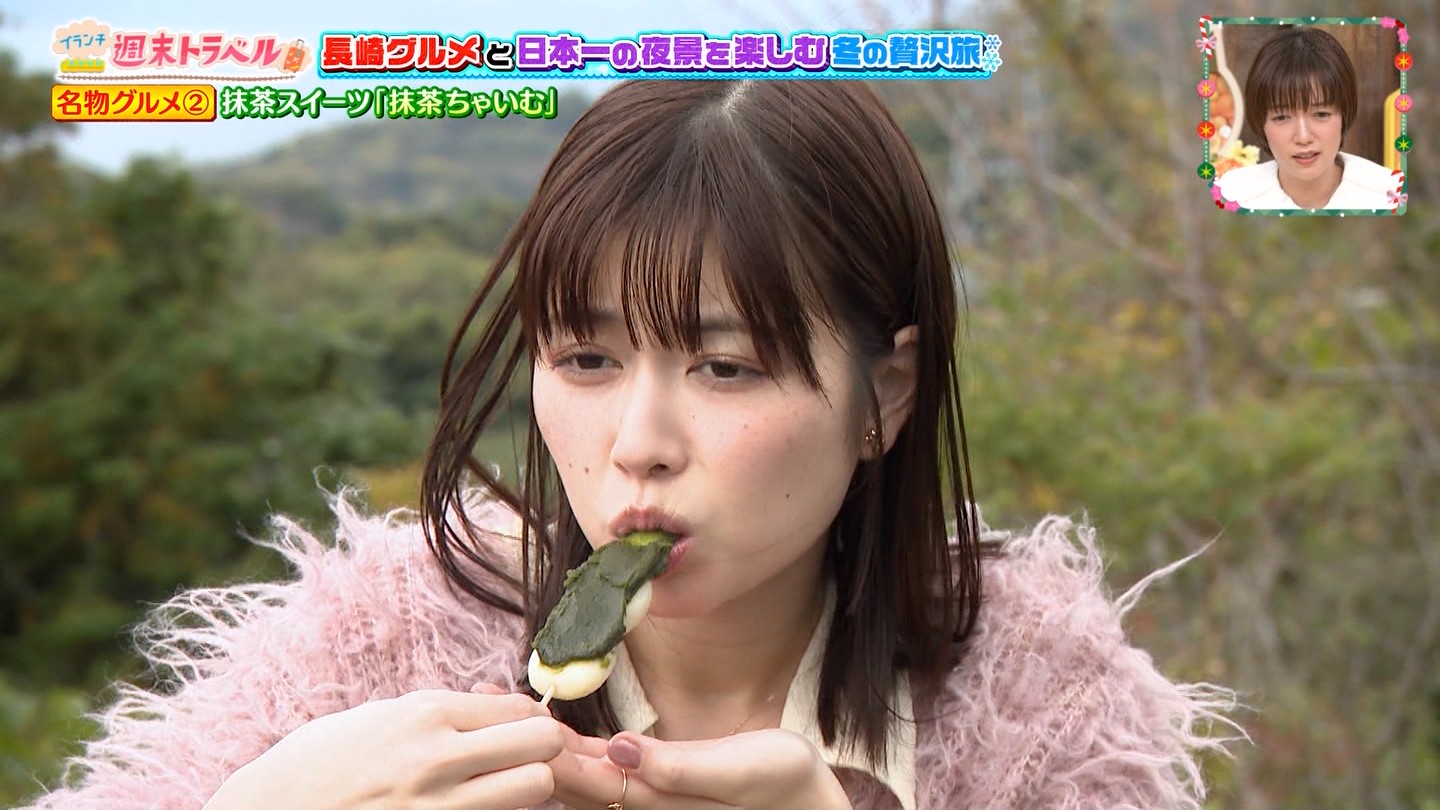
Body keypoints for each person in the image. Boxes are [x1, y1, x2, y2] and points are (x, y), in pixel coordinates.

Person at [20, 81, 1240, 810]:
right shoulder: (363, 655)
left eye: (726, 367)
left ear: (884, 396)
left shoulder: (1044, 714)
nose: (638, 446)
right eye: (587, 360)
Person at [1216, 26, 1399, 211]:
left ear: (1344, 113)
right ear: (1261, 121)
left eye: (1321, 114)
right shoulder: (1231, 196)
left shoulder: (1389, 194)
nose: (1303, 138)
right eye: (1282, 117)